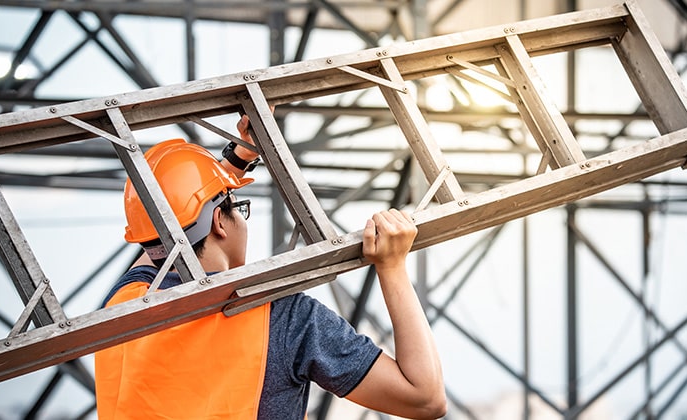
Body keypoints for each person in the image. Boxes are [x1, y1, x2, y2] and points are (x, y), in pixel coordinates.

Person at [94, 115, 447, 419]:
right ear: (220, 222)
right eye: (239, 208)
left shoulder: (123, 303)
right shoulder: (281, 317)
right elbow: (424, 398)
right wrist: (392, 266)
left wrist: (238, 159)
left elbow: (162, 239)